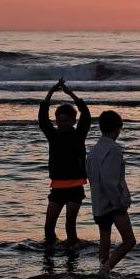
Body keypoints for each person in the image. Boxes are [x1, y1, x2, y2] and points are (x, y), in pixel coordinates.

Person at [38, 78, 91, 244]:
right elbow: (42, 118)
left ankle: (71, 263)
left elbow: (86, 114)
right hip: (57, 188)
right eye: (59, 121)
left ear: (73, 121)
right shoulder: (53, 135)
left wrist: (70, 94)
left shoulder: (78, 135)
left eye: (65, 121)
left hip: (75, 187)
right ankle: (50, 259)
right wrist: (51, 92)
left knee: (70, 228)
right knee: (48, 229)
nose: (61, 124)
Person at [86, 109, 136, 275]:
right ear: (117, 128)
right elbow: (110, 180)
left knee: (105, 242)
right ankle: (104, 272)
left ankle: (101, 269)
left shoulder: (94, 150)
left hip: (98, 203)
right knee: (129, 241)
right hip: (112, 204)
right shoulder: (113, 149)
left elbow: (92, 177)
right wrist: (120, 203)